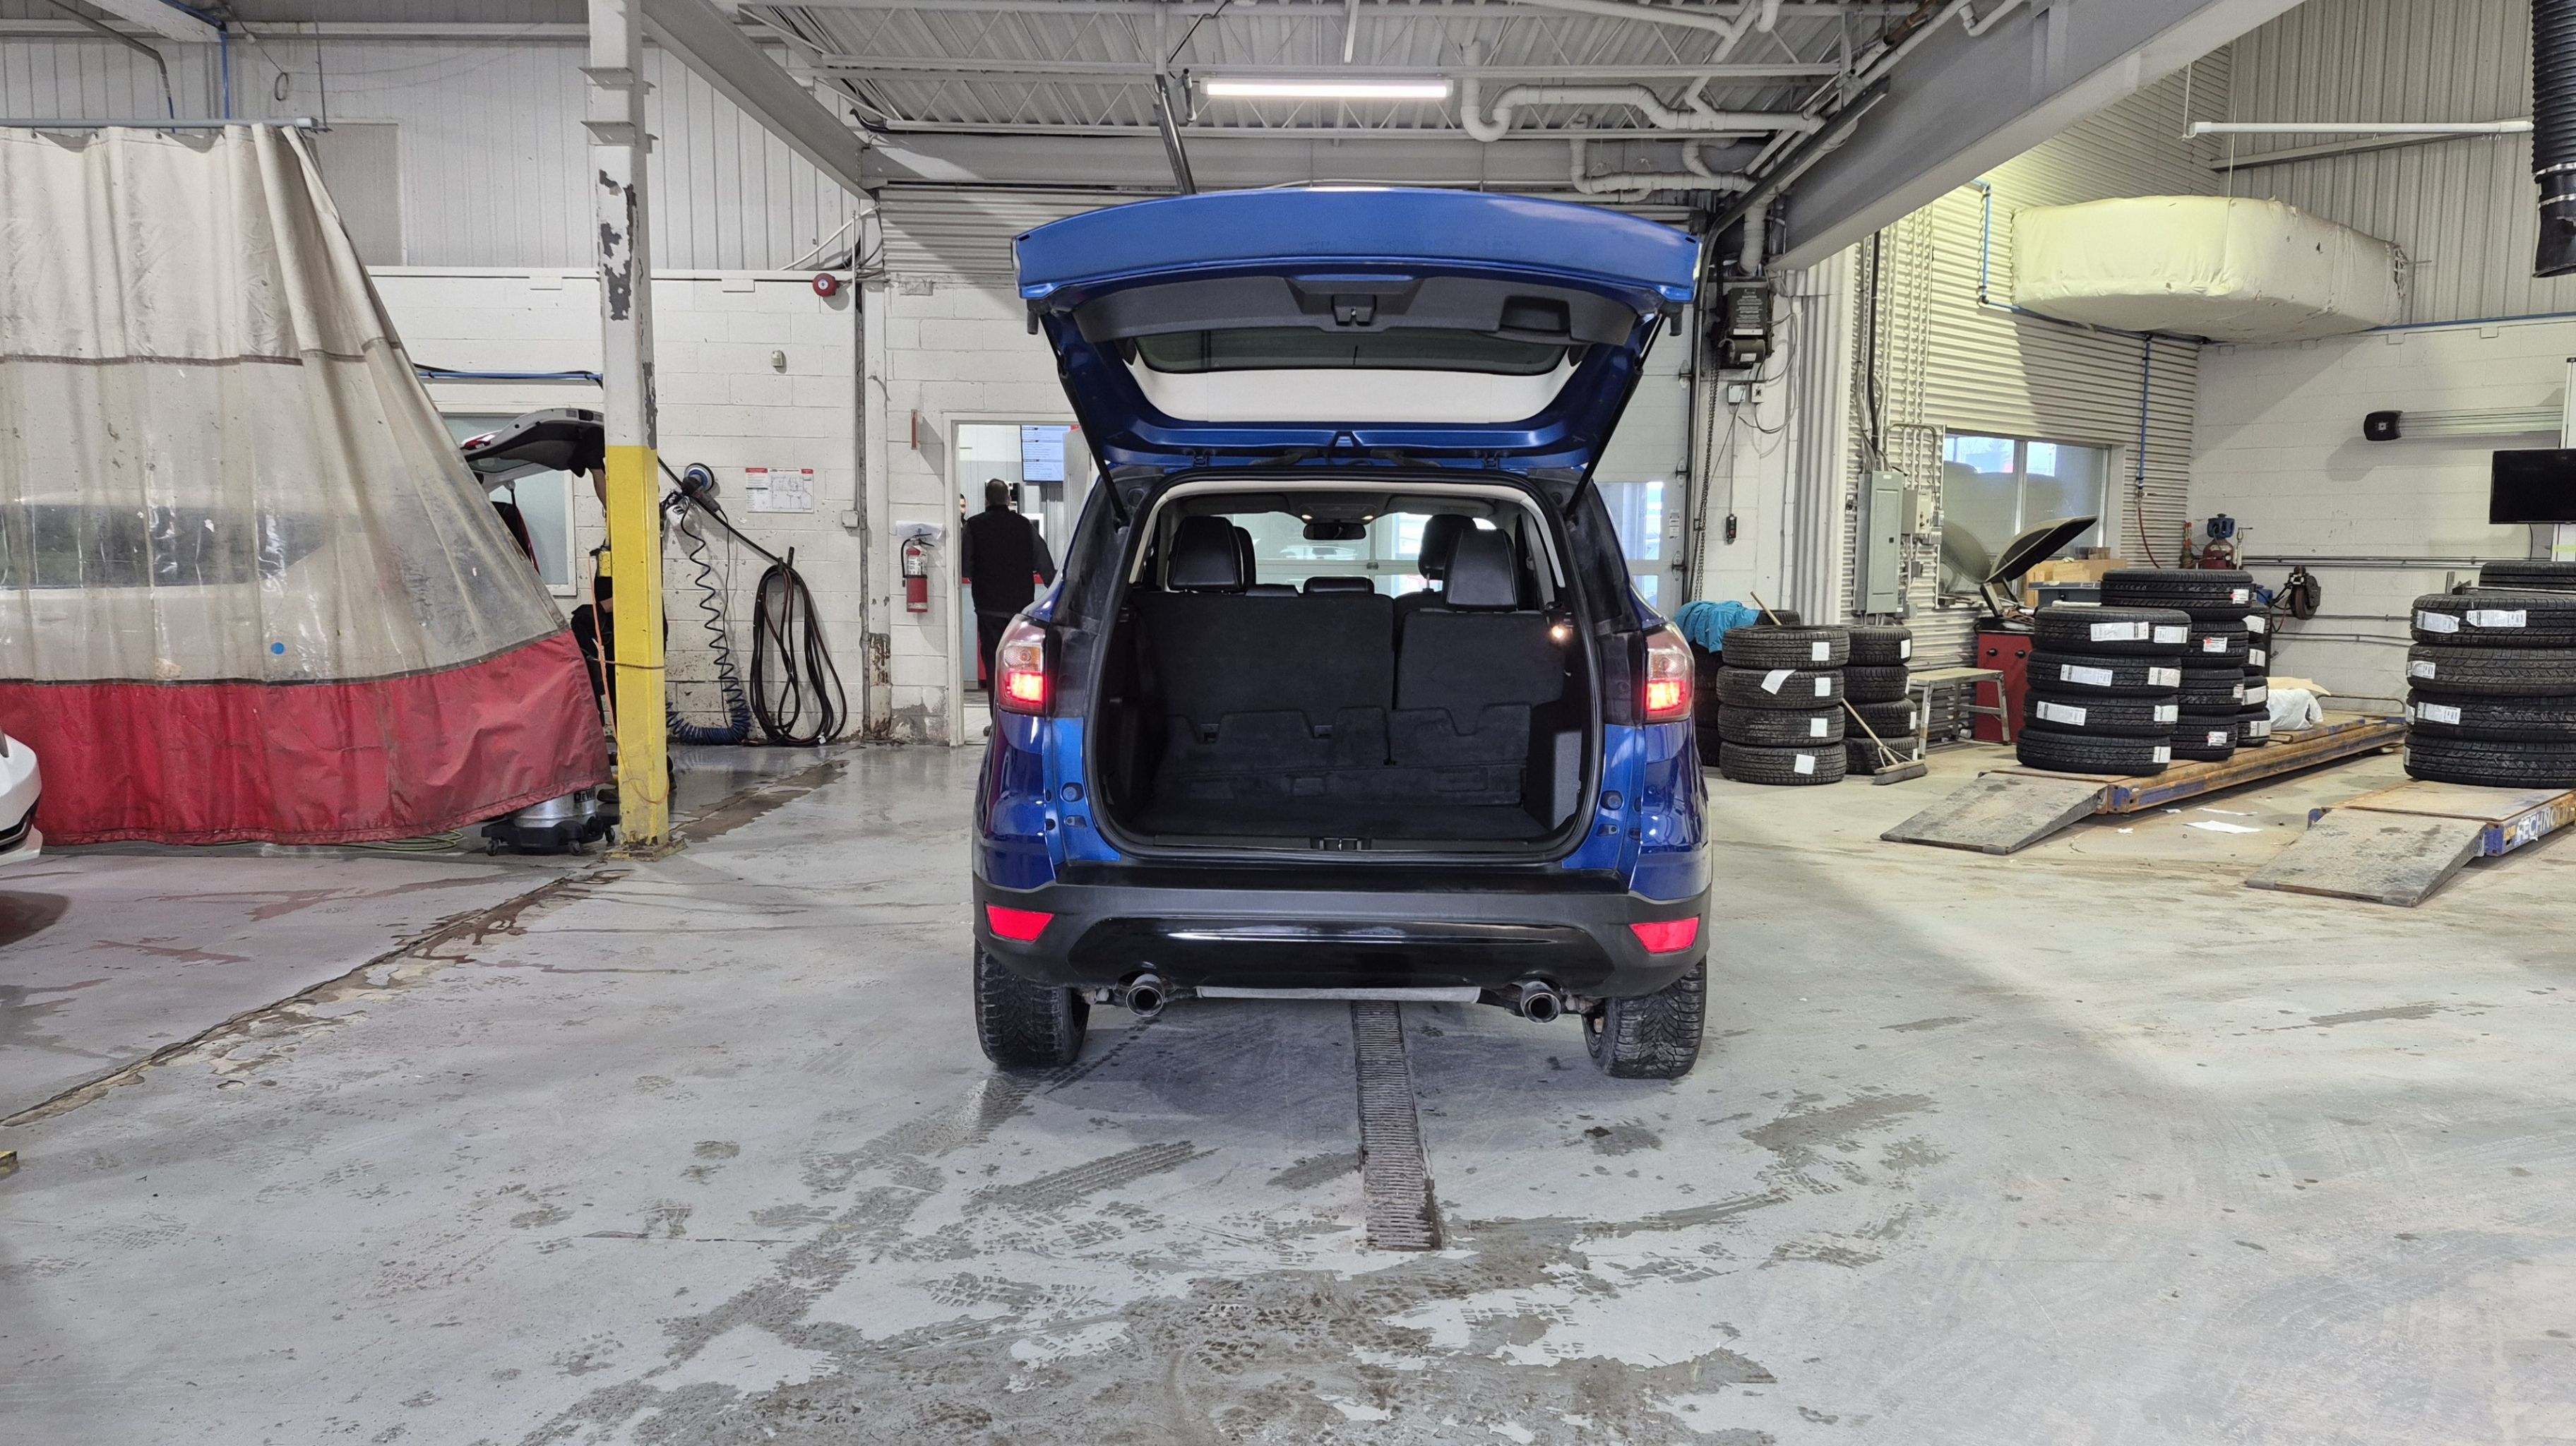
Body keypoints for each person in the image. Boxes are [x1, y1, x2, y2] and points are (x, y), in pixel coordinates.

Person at [959, 478, 1055, 686]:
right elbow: (1044, 563)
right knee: (1020, 662)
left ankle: (996, 707)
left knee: (993, 661)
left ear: (986, 500)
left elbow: (965, 567)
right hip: (1018, 607)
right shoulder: (1024, 525)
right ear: (1008, 500)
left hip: (988, 607)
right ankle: (1017, 703)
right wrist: (1056, 591)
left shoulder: (973, 526)